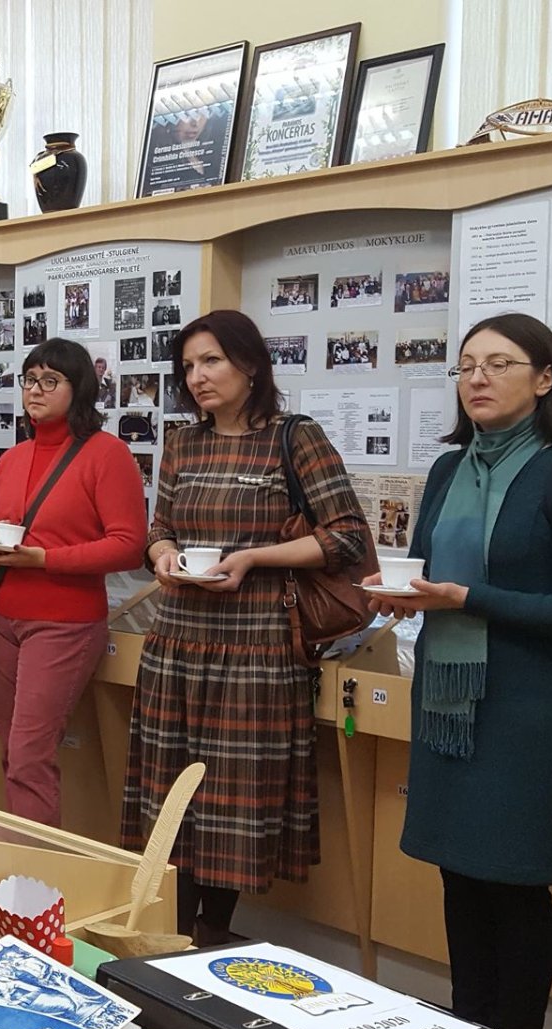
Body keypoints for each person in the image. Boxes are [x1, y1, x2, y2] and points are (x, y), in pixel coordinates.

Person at [365, 313, 552, 1029]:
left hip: (526, 712)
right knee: (460, 879)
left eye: (499, 364)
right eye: (467, 365)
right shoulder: (448, 471)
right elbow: (426, 571)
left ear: (543, 380)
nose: (477, 377)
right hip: (446, 704)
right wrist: (402, 595)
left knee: (513, 886)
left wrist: (466, 598)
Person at [129, 309, 369, 946]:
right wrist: (162, 554)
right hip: (176, 643)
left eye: (211, 361)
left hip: (256, 646)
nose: (198, 377)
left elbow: (346, 538)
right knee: (170, 799)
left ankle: (209, 934)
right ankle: (166, 937)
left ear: (251, 364)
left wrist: (254, 558)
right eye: (188, 366)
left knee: (231, 803)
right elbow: (160, 527)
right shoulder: (183, 443)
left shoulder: (296, 437)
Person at [0, 338, 146, 825]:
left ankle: (35, 864)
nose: (35, 390)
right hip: (2, 617)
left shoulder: (107, 454)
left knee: (29, 755)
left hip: (64, 622)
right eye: (29, 380)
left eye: (50, 381)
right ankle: (24, 854)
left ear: (79, 387)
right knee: (12, 751)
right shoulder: (13, 457)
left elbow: (129, 545)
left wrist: (43, 559)